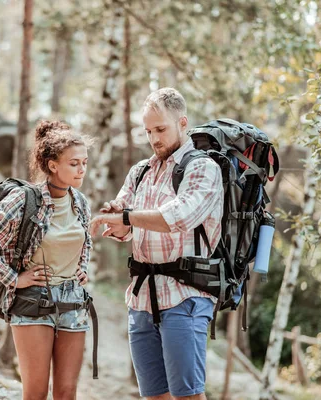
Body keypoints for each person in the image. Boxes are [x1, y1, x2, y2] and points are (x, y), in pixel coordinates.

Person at [90, 88, 224, 400]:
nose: (154, 139)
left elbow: (176, 218)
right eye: (148, 131)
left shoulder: (203, 168)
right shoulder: (140, 172)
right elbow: (127, 226)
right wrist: (115, 219)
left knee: (188, 396)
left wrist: (127, 217)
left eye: (160, 129)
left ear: (182, 123)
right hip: (140, 302)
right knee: (154, 396)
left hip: (184, 297)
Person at [0, 120, 93, 400]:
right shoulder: (24, 199)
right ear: (52, 165)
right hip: (32, 301)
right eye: (74, 163)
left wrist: (81, 268)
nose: (82, 169)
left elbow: (83, 242)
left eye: (84, 162)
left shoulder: (81, 202)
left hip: (73, 301)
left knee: (66, 393)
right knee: (36, 393)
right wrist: (15, 279)